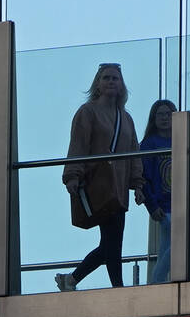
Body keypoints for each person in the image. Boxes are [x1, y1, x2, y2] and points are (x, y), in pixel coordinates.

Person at [55, 63, 145, 291]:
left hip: (119, 185)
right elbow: (78, 145)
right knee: (113, 240)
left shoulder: (126, 119)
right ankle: (117, 287)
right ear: (97, 83)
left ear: (122, 84)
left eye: (115, 78)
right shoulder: (88, 112)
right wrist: (72, 175)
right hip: (98, 182)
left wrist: (138, 183)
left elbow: (134, 151)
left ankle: (72, 280)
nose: (111, 81)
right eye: (106, 78)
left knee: (111, 242)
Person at [138, 99, 190, 283]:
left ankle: (156, 283)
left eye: (169, 114)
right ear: (153, 118)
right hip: (163, 205)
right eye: (160, 114)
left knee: (168, 247)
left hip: (182, 204)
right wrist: (152, 206)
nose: (165, 118)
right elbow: (144, 177)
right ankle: (156, 282)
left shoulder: (182, 141)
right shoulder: (149, 144)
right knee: (179, 244)